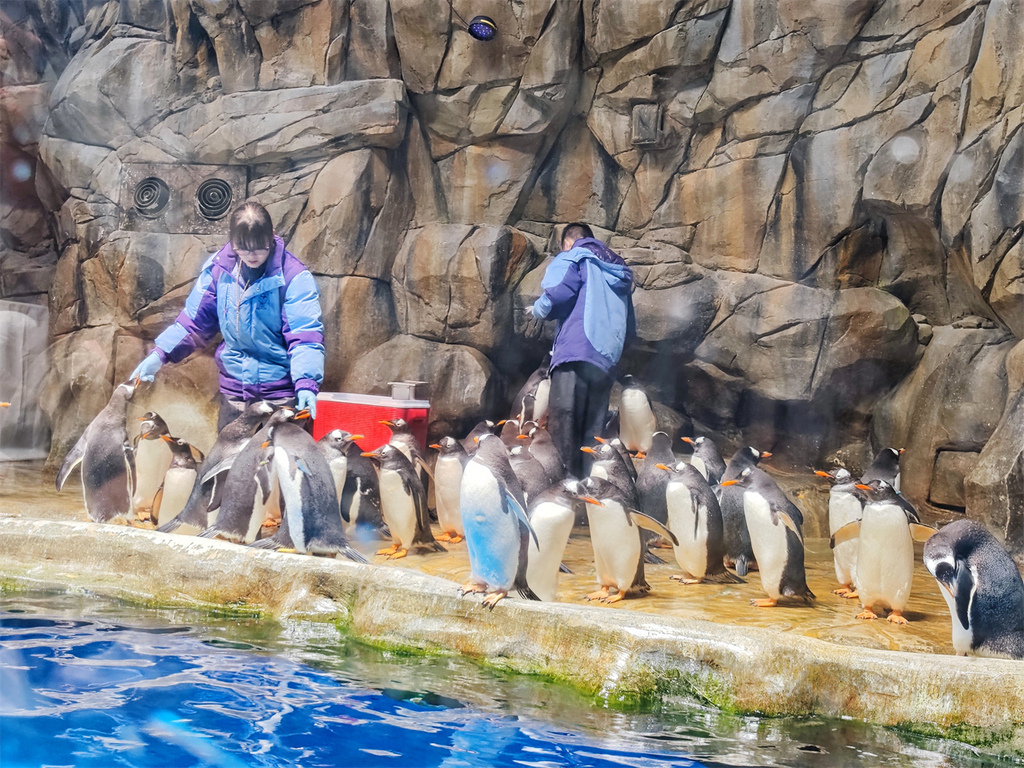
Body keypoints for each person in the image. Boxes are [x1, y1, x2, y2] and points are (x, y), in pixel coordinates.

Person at [130, 201, 325, 430]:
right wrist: (160, 354)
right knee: (228, 463)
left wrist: (306, 383)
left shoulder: (294, 278)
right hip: (235, 393)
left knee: (279, 463)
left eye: (260, 246)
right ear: (232, 241)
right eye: (243, 247)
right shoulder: (218, 271)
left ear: (271, 237)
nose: (252, 255)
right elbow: (193, 324)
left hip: (281, 395)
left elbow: (305, 338)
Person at [527, 223, 635, 477]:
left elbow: (558, 295)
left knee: (564, 424)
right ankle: (588, 495)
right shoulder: (619, 271)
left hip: (575, 352)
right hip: (606, 361)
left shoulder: (575, 256)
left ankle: (563, 494)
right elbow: (629, 329)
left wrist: (537, 309)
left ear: (568, 242)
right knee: (593, 433)